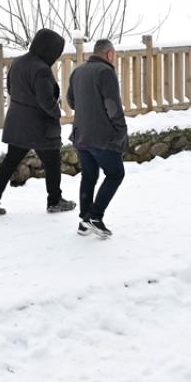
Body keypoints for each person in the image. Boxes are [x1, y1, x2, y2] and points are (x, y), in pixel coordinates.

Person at [0, 28, 77, 216]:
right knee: (52, 161)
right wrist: (57, 113)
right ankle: (54, 200)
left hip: (17, 122)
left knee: (10, 162)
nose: (56, 57)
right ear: (49, 50)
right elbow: (46, 101)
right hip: (39, 126)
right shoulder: (41, 69)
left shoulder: (18, 62)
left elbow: (11, 89)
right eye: (56, 53)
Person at [66, 39, 127, 239]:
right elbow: (112, 105)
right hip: (101, 138)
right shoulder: (105, 72)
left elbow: (71, 101)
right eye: (114, 55)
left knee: (89, 176)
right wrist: (120, 130)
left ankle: (84, 221)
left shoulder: (78, 71)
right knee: (115, 174)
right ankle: (95, 216)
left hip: (81, 135)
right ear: (109, 54)